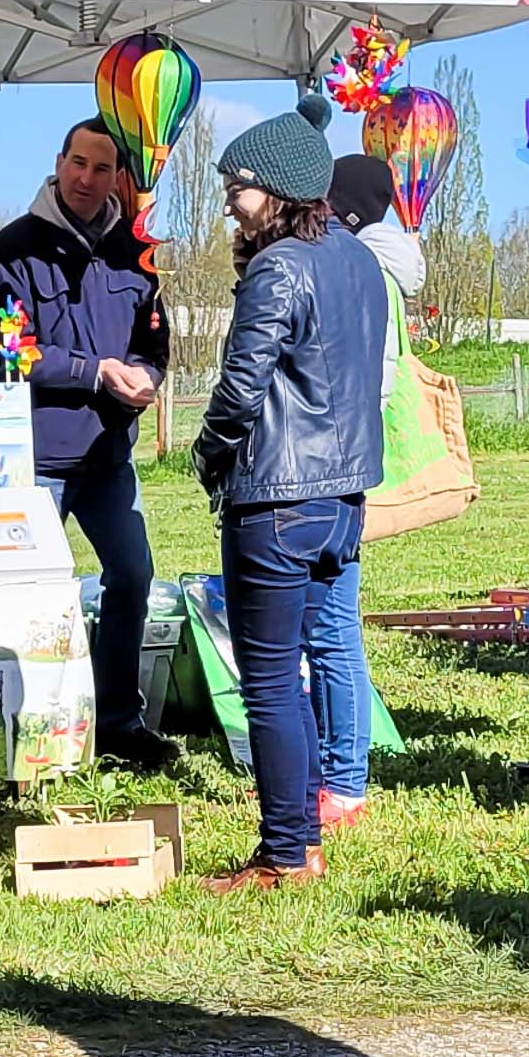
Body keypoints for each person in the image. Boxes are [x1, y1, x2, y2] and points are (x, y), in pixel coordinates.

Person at [192, 97, 386, 891]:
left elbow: (244, 389)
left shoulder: (277, 266)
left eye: (238, 187)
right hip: (342, 502)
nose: (230, 204)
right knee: (306, 665)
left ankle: (283, 852)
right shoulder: (358, 259)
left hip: (276, 500)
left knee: (269, 681)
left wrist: (208, 453)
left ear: (275, 188)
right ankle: (301, 833)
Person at [0, 120, 174, 769]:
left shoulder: (135, 252)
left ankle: (119, 721)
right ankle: (28, 726)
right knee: (32, 595)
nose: (86, 179)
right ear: (58, 162)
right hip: (37, 457)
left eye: (101, 168)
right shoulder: (15, 249)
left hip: (108, 456)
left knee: (134, 576)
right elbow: (3, 351)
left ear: (120, 177)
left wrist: (146, 372)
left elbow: (153, 339)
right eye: (77, 164)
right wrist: (93, 372)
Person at [313, 154, 423, 829]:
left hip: (331, 461)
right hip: (343, 458)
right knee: (325, 621)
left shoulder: (358, 270)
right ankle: (332, 771)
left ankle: (344, 780)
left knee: (330, 624)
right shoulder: (376, 264)